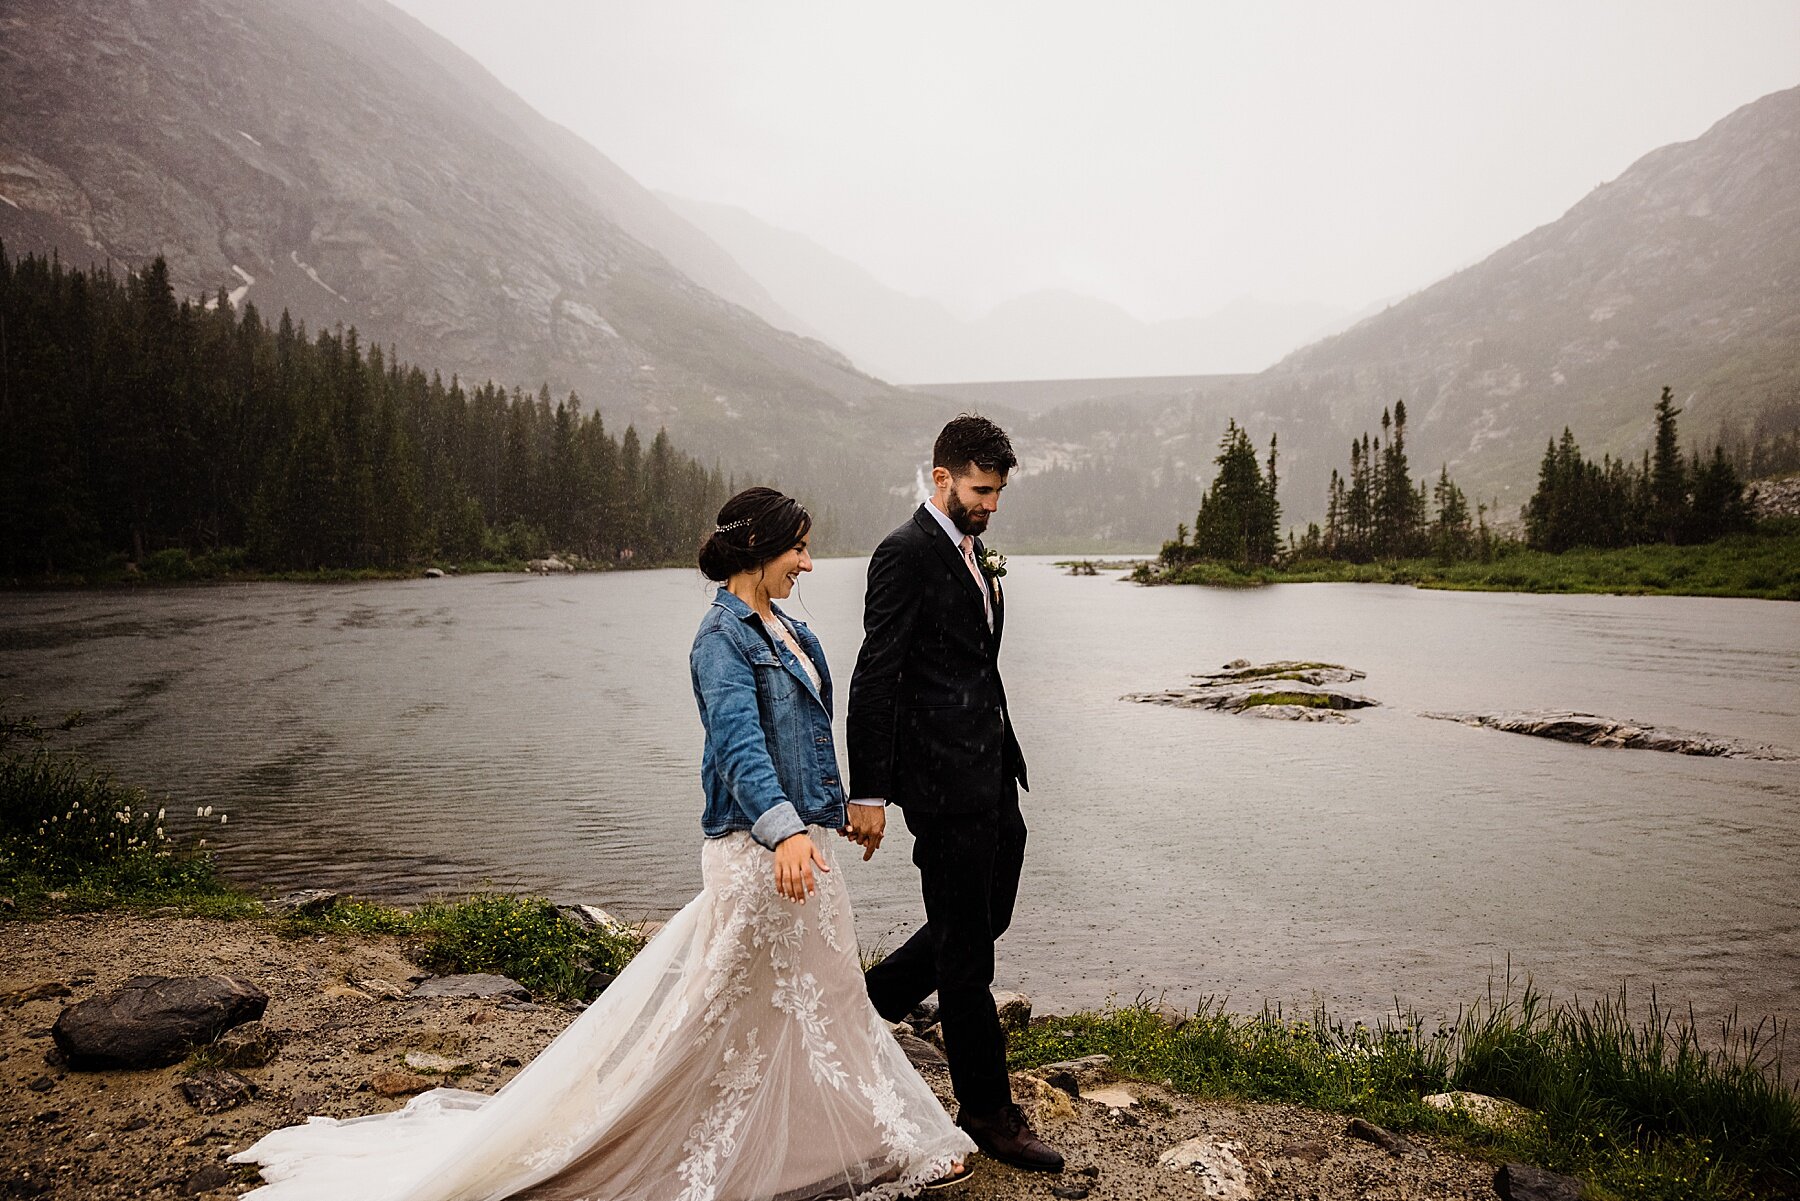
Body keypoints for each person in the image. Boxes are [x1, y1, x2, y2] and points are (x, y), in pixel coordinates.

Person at [233, 486, 974, 1201]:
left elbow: (802, 735)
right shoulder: (718, 641)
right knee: (721, 1017)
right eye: (800, 550)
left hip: (802, 848)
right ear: (759, 548)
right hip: (759, 856)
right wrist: (783, 830)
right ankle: (661, 1145)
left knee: (826, 1001)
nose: (809, 566)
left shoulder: (793, 628)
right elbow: (740, 747)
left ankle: (855, 1142)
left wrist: (833, 808)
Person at [844, 416, 1064, 1174]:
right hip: (941, 784)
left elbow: (973, 665)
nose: (991, 504)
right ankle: (987, 1110)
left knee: (983, 917)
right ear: (941, 479)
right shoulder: (903, 554)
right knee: (969, 956)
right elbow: (876, 675)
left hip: (993, 771)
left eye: (998, 491)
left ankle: (869, 1000)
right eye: (981, 490)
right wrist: (868, 789)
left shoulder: (974, 553)